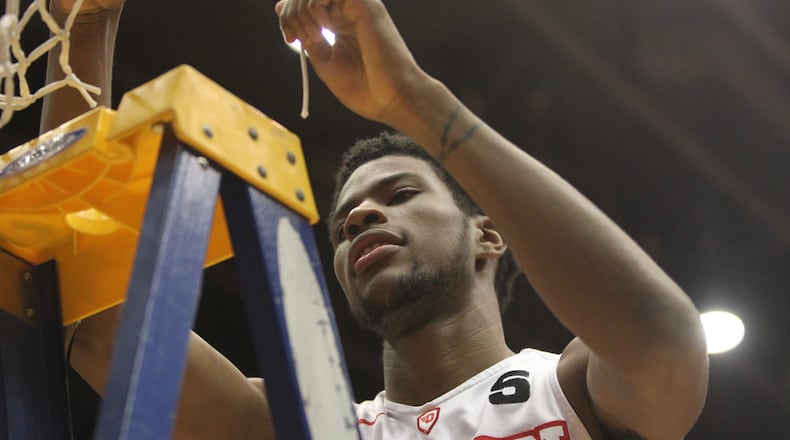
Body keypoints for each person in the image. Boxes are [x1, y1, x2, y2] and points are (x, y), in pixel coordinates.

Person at [43, 0, 709, 439]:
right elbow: (97, 320)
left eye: (398, 194)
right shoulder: (311, 427)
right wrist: (84, 24)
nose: (360, 214)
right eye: (341, 227)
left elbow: (664, 342)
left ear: (487, 233)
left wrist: (416, 102)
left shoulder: (566, 389)